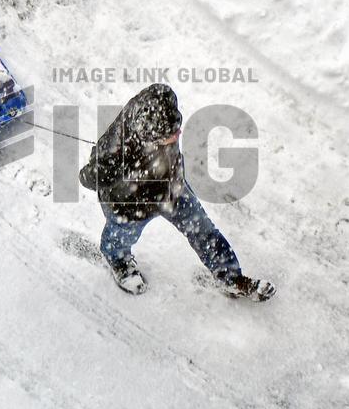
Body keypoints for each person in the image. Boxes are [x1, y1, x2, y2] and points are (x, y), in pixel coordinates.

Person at [79, 83, 276, 300]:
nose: (177, 135)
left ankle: (231, 278)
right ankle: (118, 261)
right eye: (169, 136)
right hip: (130, 204)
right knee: (121, 237)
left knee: (202, 229)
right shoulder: (115, 147)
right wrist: (107, 172)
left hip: (171, 189)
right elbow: (88, 177)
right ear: (148, 136)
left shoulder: (161, 99)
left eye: (176, 129)